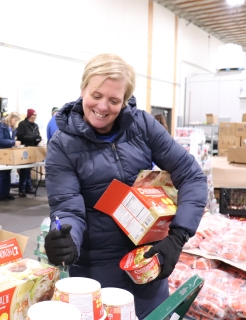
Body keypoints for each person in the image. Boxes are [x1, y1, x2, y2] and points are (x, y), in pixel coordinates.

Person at [43, 53, 207, 319]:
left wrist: (177, 237)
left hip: (145, 259)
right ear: (83, 89)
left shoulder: (141, 125)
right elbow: (67, 208)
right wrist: (65, 241)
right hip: (96, 268)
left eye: (114, 100)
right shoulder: (63, 144)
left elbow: (191, 176)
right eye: (96, 95)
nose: (103, 106)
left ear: (125, 100)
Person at [0, 111, 21, 201]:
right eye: (15, 120)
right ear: (10, 118)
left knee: (7, 173)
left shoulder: (12, 129)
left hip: (7, 153)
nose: (15, 122)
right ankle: (1, 195)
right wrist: (13, 142)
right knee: (2, 174)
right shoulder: (0, 127)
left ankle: (6, 193)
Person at [16, 108, 42, 197]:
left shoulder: (35, 126)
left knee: (29, 169)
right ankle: (22, 189)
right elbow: (21, 136)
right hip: (24, 149)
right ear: (29, 116)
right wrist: (33, 138)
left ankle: (29, 187)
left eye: (35, 116)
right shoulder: (22, 125)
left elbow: (38, 135)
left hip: (33, 148)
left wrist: (38, 139)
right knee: (24, 170)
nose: (33, 118)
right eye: (32, 116)